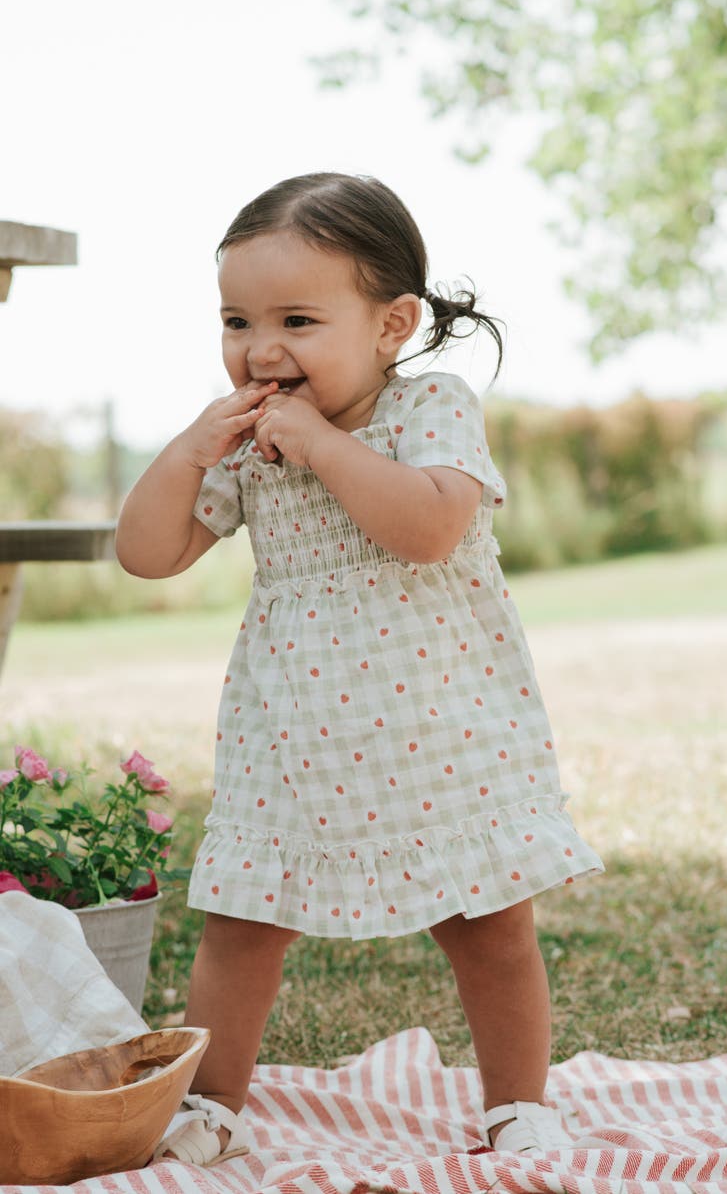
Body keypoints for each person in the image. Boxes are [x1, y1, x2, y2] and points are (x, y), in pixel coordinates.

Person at [116, 172, 603, 1166]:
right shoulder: (252, 443)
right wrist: (186, 451)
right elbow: (147, 552)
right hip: (294, 733)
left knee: (491, 922)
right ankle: (212, 1106)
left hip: (443, 725)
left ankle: (519, 1103)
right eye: (237, 319)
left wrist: (320, 444)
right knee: (243, 922)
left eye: (298, 318)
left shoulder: (433, 405)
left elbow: (428, 526)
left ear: (393, 324)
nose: (260, 348)